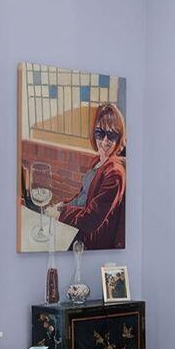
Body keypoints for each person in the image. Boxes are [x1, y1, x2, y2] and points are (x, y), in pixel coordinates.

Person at [57, 102, 126, 251]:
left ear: (119, 138)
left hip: (91, 240)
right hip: (78, 226)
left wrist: (62, 213)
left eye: (112, 135)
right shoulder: (98, 161)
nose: (105, 141)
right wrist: (64, 204)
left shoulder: (114, 173)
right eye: (100, 133)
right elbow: (83, 195)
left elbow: (91, 219)